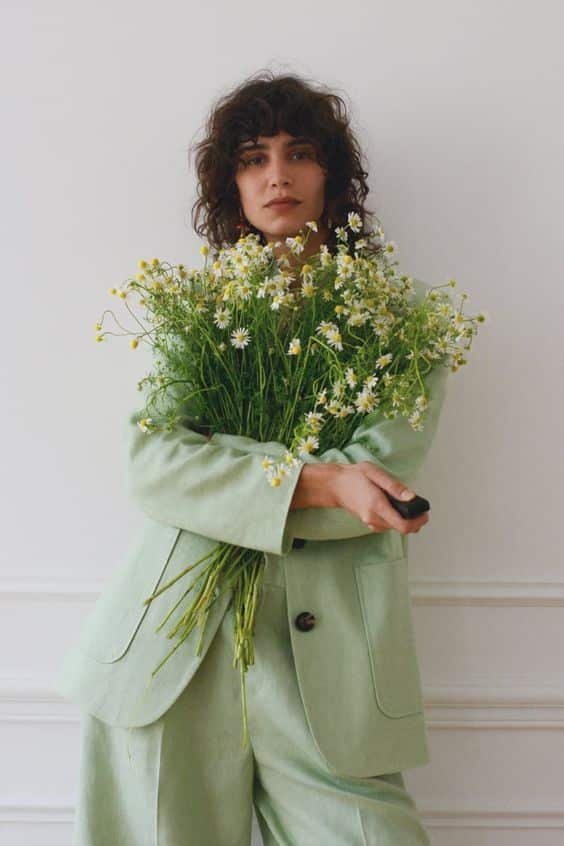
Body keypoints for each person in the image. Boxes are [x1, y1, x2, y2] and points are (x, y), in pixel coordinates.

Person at [55, 70, 449, 845]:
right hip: (174, 651)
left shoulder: (405, 324)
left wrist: (263, 475)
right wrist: (317, 477)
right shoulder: (195, 313)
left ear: (331, 174)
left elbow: (380, 476)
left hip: (328, 660)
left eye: (299, 153)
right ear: (229, 183)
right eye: (252, 157)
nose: (277, 174)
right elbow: (157, 465)